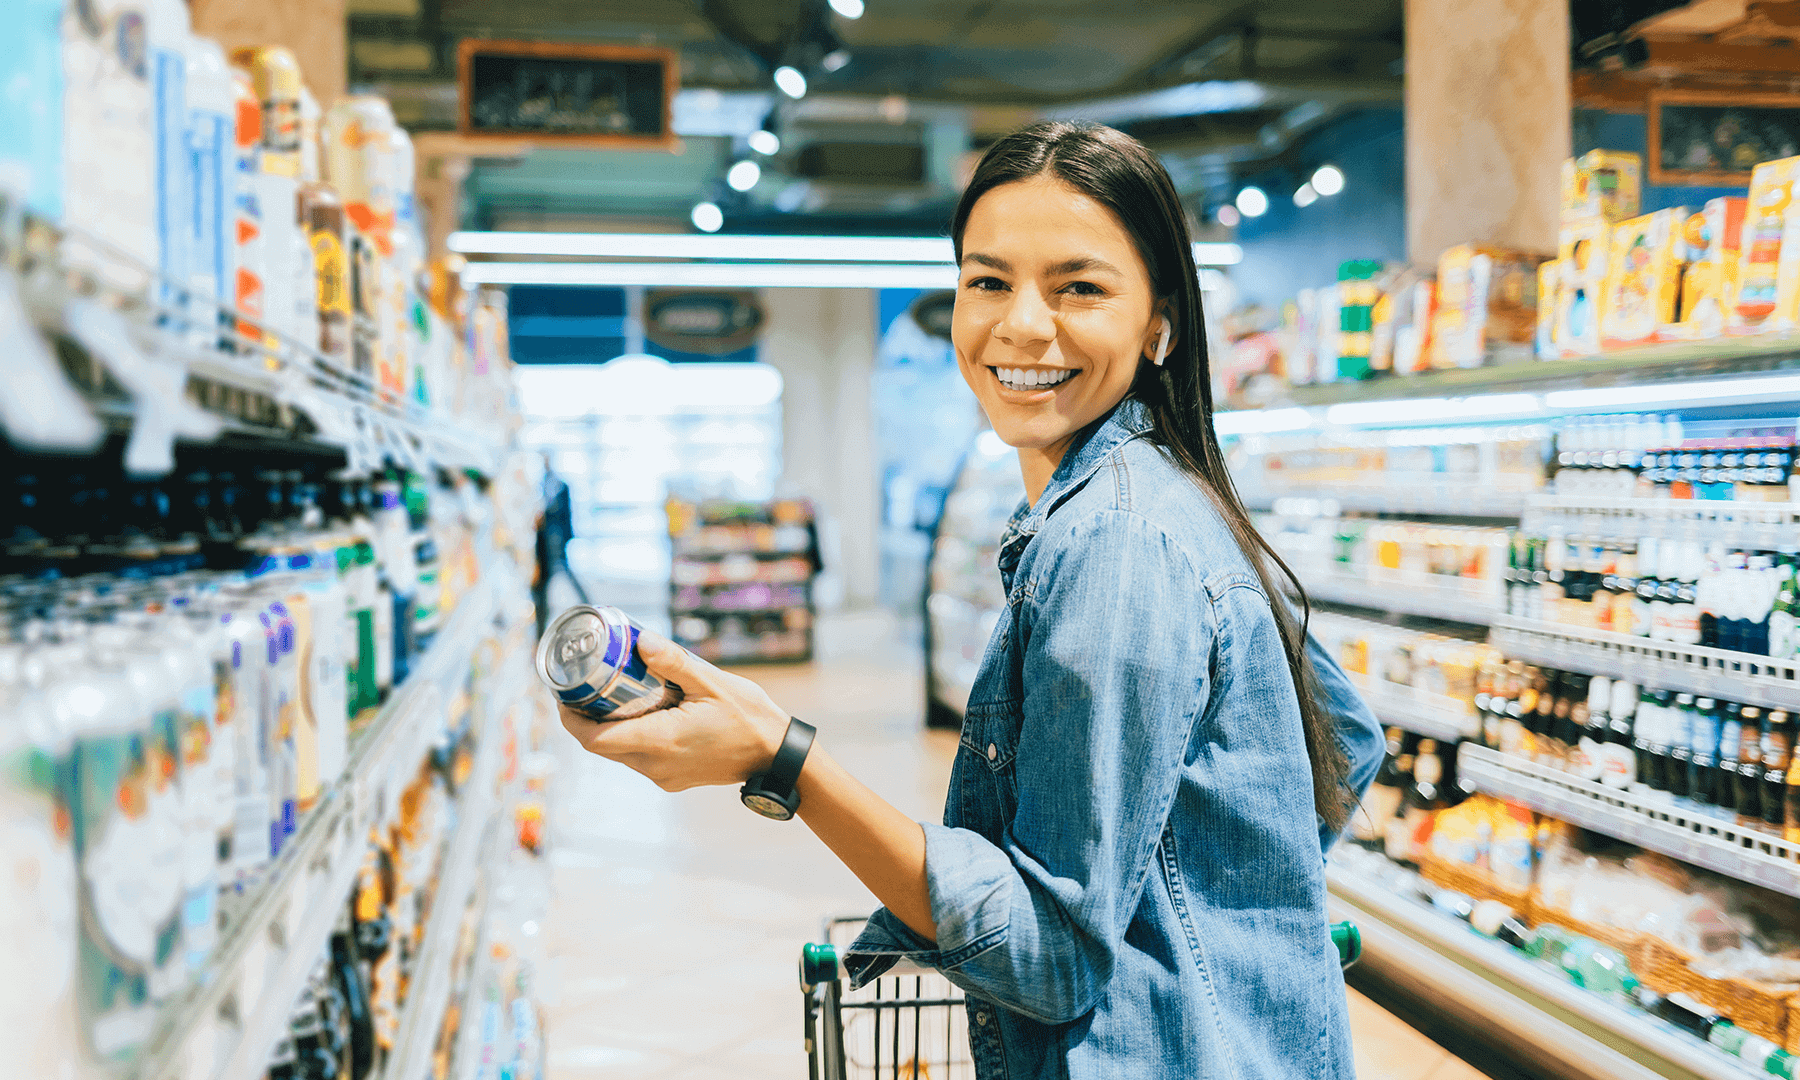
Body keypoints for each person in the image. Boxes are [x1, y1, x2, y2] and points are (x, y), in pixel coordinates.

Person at [559, 121, 1386, 1079]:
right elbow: (1346, 744)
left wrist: (780, 757)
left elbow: (1053, 956)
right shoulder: (1170, 494)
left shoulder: (1117, 543)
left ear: (1159, 319)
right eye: (988, 281)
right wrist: (1194, 894)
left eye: (1078, 286)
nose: (1022, 325)